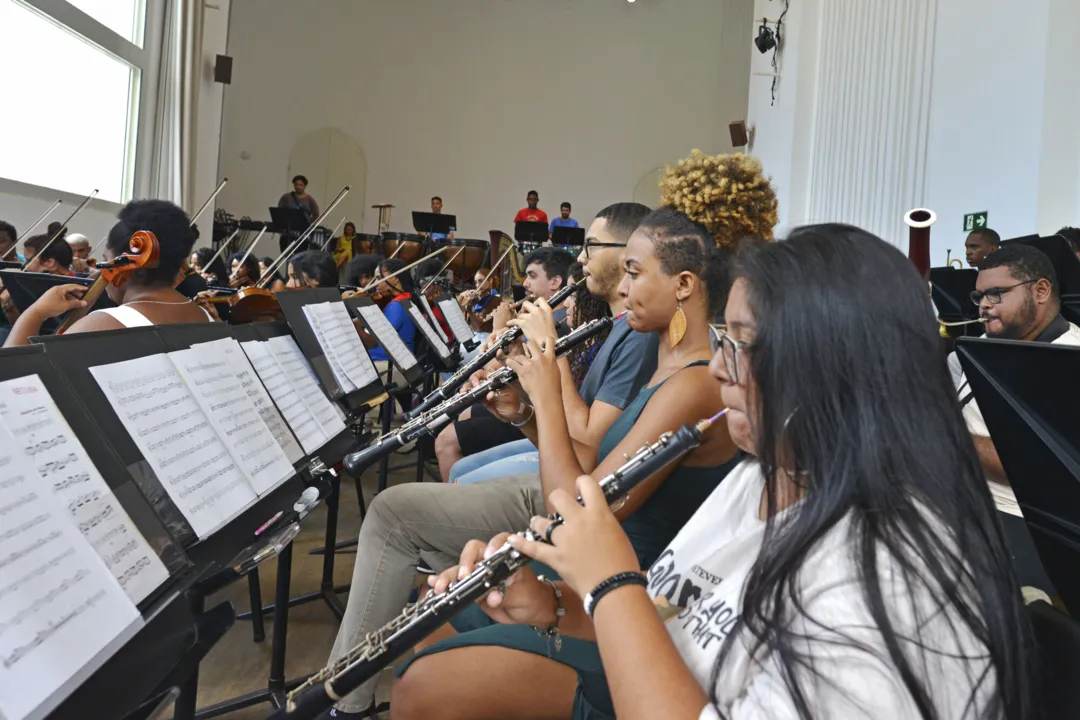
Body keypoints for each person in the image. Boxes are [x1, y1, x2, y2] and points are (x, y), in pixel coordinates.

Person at [402, 224, 1034, 720]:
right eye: (720, 340)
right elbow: (671, 619)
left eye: (740, 343)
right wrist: (552, 605)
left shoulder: (888, 586)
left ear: (831, 368)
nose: (721, 369)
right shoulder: (764, 473)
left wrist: (611, 579)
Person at [950, 242, 1080, 507]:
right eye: (980, 296)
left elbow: (1046, 465)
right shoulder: (980, 344)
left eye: (997, 293)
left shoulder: (1070, 358)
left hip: (1015, 521)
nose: (983, 306)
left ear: (1041, 291)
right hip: (960, 499)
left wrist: (943, 435)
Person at [436, 247, 575, 481]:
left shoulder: (557, 323)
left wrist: (500, 329)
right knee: (463, 412)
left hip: (533, 410)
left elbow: (529, 375)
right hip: (522, 401)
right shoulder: (538, 314)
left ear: (555, 282)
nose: (526, 284)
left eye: (532, 276)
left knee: (448, 438)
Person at [3, 200, 211, 346]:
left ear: (123, 259)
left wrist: (36, 312)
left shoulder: (104, 324)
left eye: (106, 258)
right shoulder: (208, 318)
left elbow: (13, 382)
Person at [278, 175, 320, 252]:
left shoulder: (309, 199)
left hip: (303, 233)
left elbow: (316, 214)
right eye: (296, 184)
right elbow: (279, 212)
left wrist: (310, 223)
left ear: (305, 186)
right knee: (286, 254)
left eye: (300, 185)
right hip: (288, 232)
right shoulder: (286, 197)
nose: (298, 186)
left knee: (299, 255)